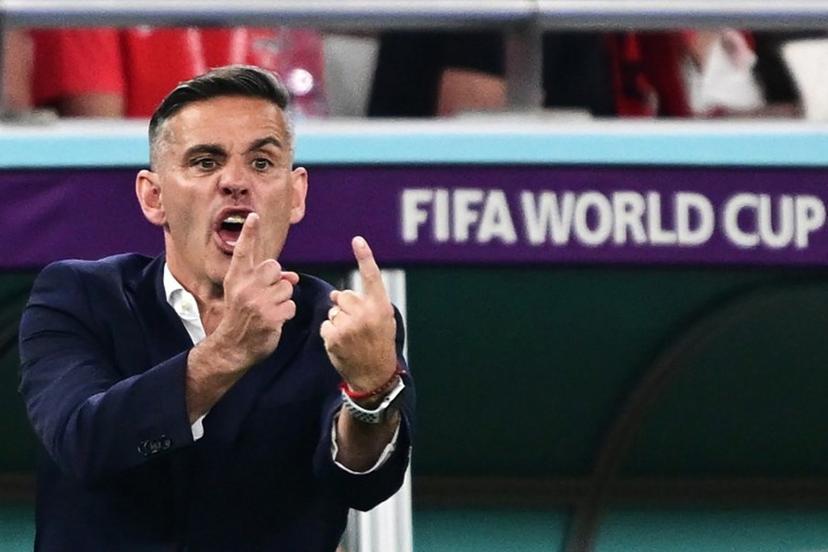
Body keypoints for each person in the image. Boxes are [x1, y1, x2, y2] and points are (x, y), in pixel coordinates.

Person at [18, 65, 414, 551]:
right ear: (153, 196)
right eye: (206, 162)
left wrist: (371, 395)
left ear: (296, 195)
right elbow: (84, 442)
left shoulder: (338, 326)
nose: (235, 181)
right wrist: (228, 351)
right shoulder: (76, 296)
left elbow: (365, 482)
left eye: (262, 163)